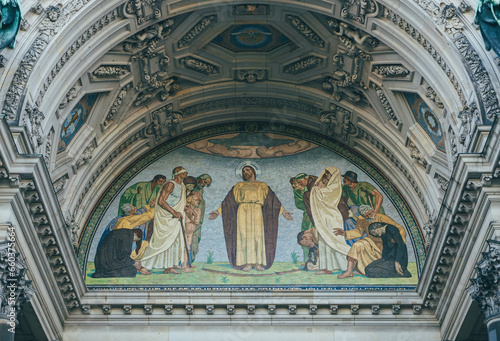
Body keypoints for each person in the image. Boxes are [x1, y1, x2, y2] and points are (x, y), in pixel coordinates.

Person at [209, 165, 293, 271]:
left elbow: (272, 200)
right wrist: (217, 212)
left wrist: (283, 212)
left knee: (258, 236)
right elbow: (228, 201)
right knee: (243, 236)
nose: (245, 172)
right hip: (242, 210)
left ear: (253, 171)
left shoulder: (262, 185)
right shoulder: (239, 185)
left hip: (257, 210)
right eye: (243, 171)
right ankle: (247, 263)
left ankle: (258, 263)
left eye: (247, 170)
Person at [334, 205, 406, 279]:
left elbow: (400, 228)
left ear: (372, 211)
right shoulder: (361, 219)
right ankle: (349, 271)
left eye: (369, 214)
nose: (368, 217)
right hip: (370, 241)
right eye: (366, 216)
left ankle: (363, 270)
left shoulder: (382, 217)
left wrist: (398, 241)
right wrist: (345, 233)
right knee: (356, 245)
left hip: (384, 245)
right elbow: (359, 231)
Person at [140, 167, 189, 274]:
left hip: (175, 217)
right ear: (177, 174)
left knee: (173, 241)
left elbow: (178, 203)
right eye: (183, 171)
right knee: (160, 241)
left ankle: (168, 266)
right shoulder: (170, 184)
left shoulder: (182, 186)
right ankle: (144, 265)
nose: (186, 173)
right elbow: (161, 201)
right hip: (165, 216)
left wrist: (185, 209)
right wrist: (174, 212)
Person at [309, 167, 352, 275]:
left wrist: (316, 189)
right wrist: (319, 186)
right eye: (326, 173)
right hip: (324, 216)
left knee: (335, 240)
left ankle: (345, 266)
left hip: (332, 217)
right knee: (324, 241)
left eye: (329, 173)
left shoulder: (335, 186)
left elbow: (323, 194)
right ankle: (326, 268)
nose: (327, 175)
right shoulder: (326, 185)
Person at [183, 174, 212, 261]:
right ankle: (184, 262)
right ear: (200, 179)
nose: (205, 185)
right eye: (205, 182)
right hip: (188, 218)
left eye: (207, 184)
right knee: (186, 242)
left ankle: (190, 260)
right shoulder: (191, 184)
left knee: (194, 240)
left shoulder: (200, 189)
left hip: (196, 219)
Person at [291, 174, 316, 262]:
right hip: (307, 215)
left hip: (317, 215)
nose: (294, 185)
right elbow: (299, 205)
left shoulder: (312, 186)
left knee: (315, 237)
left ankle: (317, 259)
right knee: (303, 238)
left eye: (297, 182)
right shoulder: (298, 191)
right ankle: (307, 260)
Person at [181, 192, 202, 271]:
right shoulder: (185, 209)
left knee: (188, 248)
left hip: (191, 232)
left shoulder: (198, 210)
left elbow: (196, 222)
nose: (197, 202)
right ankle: (183, 266)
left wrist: (195, 215)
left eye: (198, 201)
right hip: (184, 231)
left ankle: (185, 265)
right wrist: (189, 212)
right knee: (184, 248)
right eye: (196, 200)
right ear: (191, 201)